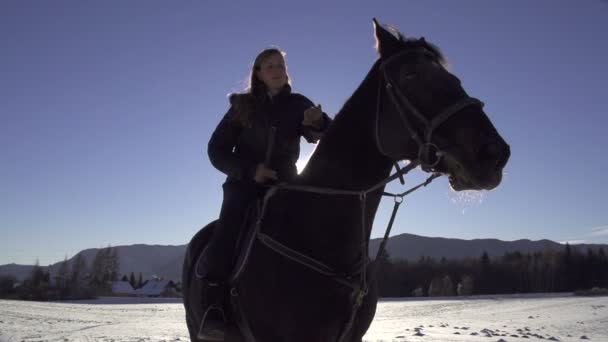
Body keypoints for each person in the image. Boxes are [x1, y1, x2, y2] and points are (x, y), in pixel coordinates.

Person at [198, 47, 332, 341]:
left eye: (280, 64)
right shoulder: (243, 106)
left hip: (287, 186)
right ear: (258, 73)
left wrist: (319, 124)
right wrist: (249, 171)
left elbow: (327, 135)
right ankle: (213, 307)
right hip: (244, 186)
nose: (277, 69)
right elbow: (216, 150)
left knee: (318, 228)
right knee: (228, 230)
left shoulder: (299, 104)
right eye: (269, 65)